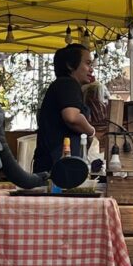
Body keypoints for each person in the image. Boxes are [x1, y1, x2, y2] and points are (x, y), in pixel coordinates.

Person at [33, 44, 96, 173]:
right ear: (70, 65)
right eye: (88, 63)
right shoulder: (68, 83)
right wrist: (91, 131)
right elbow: (72, 117)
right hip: (58, 170)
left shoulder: (63, 85)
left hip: (54, 166)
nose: (91, 69)